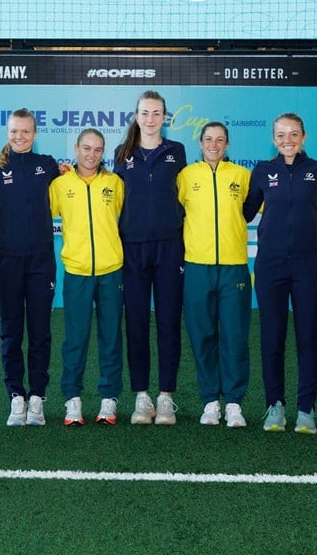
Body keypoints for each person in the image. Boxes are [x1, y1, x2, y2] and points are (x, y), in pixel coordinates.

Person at [244, 113, 317, 434]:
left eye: (294, 134)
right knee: (272, 337)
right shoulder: (262, 171)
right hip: (270, 266)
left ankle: (306, 410)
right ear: (273, 139)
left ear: (304, 136)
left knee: (308, 337)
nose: (288, 140)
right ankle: (275, 407)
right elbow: (244, 212)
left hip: (309, 266)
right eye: (281, 135)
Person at [0, 108, 59, 427]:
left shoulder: (47, 165)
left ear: (35, 134)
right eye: (14, 131)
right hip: (6, 261)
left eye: (25, 132)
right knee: (10, 332)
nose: (19, 137)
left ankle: (37, 396)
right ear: (7, 133)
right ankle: (16, 396)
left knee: (40, 332)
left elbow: (70, 185)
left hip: (41, 262)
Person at [113, 91, 186, 426]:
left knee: (169, 321)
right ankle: (142, 396)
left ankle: (166, 396)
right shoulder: (122, 154)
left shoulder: (177, 152)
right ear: (137, 115)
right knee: (137, 322)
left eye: (157, 113)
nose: (151, 119)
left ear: (165, 117)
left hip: (171, 247)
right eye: (145, 113)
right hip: (132, 249)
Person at [176, 122, 252, 428]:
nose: (214, 144)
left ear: (228, 144)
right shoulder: (186, 176)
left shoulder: (242, 176)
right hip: (196, 266)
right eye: (209, 139)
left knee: (234, 336)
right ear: (200, 142)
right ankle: (210, 401)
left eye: (220, 140)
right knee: (202, 335)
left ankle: (234, 402)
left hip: (233, 266)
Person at [50, 129, 125, 425]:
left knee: (110, 337)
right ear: (76, 148)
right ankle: (73, 400)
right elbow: (35, 212)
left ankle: (109, 399)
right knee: (75, 339)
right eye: (86, 148)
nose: (91, 154)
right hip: (77, 272)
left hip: (110, 272)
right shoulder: (59, 184)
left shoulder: (115, 183)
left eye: (97, 149)